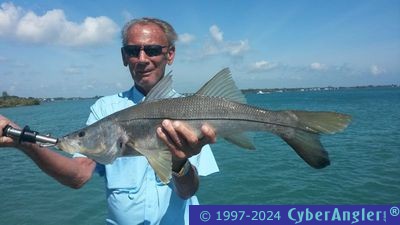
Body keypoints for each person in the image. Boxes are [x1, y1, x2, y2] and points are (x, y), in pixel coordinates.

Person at [0, 17, 219, 225]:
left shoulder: (192, 110)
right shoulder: (104, 109)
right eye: (133, 51)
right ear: (124, 57)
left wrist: (179, 163)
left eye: (152, 50)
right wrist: (24, 142)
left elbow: (188, 191)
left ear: (170, 54)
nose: (142, 59)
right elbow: (79, 175)